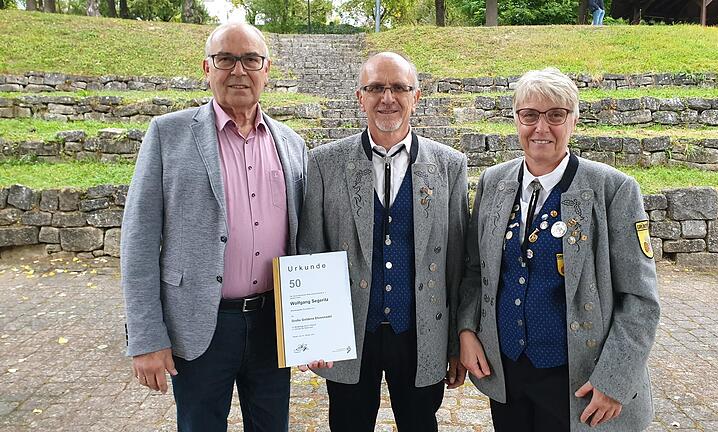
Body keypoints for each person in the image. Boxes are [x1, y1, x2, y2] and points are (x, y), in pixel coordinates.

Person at [121, 22, 307, 432]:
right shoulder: (167, 135)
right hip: (200, 324)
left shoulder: (292, 144)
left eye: (250, 60)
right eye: (226, 59)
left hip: (272, 325)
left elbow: (303, 238)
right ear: (207, 68)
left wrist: (317, 327)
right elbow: (138, 242)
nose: (238, 70)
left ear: (266, 69)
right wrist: (147, 337)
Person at [457, 68, 660, 431]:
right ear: (516, 119)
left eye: (555, 115)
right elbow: (477, 272)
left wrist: (614, 380)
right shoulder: (493, 181)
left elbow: (640, 300)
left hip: (581, 380)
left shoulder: (613, 190)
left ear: (574, 120)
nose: (541, 128)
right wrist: (467, 330)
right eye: (530, 115)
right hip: (509, 374)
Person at [297, 52, 469, 432]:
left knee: (421, 423)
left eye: (398, 88)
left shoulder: (450, 165)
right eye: (376, 87)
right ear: (360, 96)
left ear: (416, 96)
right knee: (347, 424)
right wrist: (312, 337)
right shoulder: (324, 163)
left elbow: (458, 262)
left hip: (421, 332)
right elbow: (310, 249)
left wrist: (456, 342)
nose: (387, 97)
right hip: (351, 333)